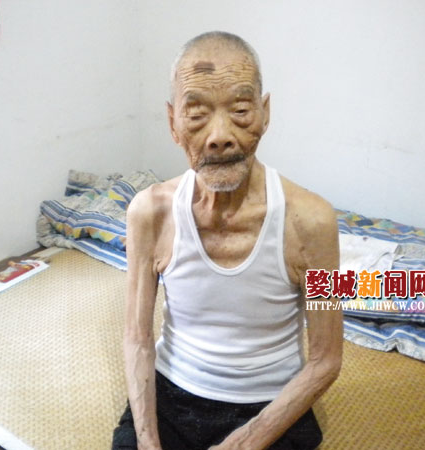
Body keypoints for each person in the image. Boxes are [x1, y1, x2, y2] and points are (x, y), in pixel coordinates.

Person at [113, 31, 343, 450]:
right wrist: (147, 441)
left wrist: (247, 441)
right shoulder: (149, 212)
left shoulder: (314, 221)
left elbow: (326, 359)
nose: (220, 135)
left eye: (239, 110)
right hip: (172, 391)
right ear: (173, 123)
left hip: (272, 400)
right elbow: (137, 337)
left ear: (264, 113)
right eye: (197, 113)